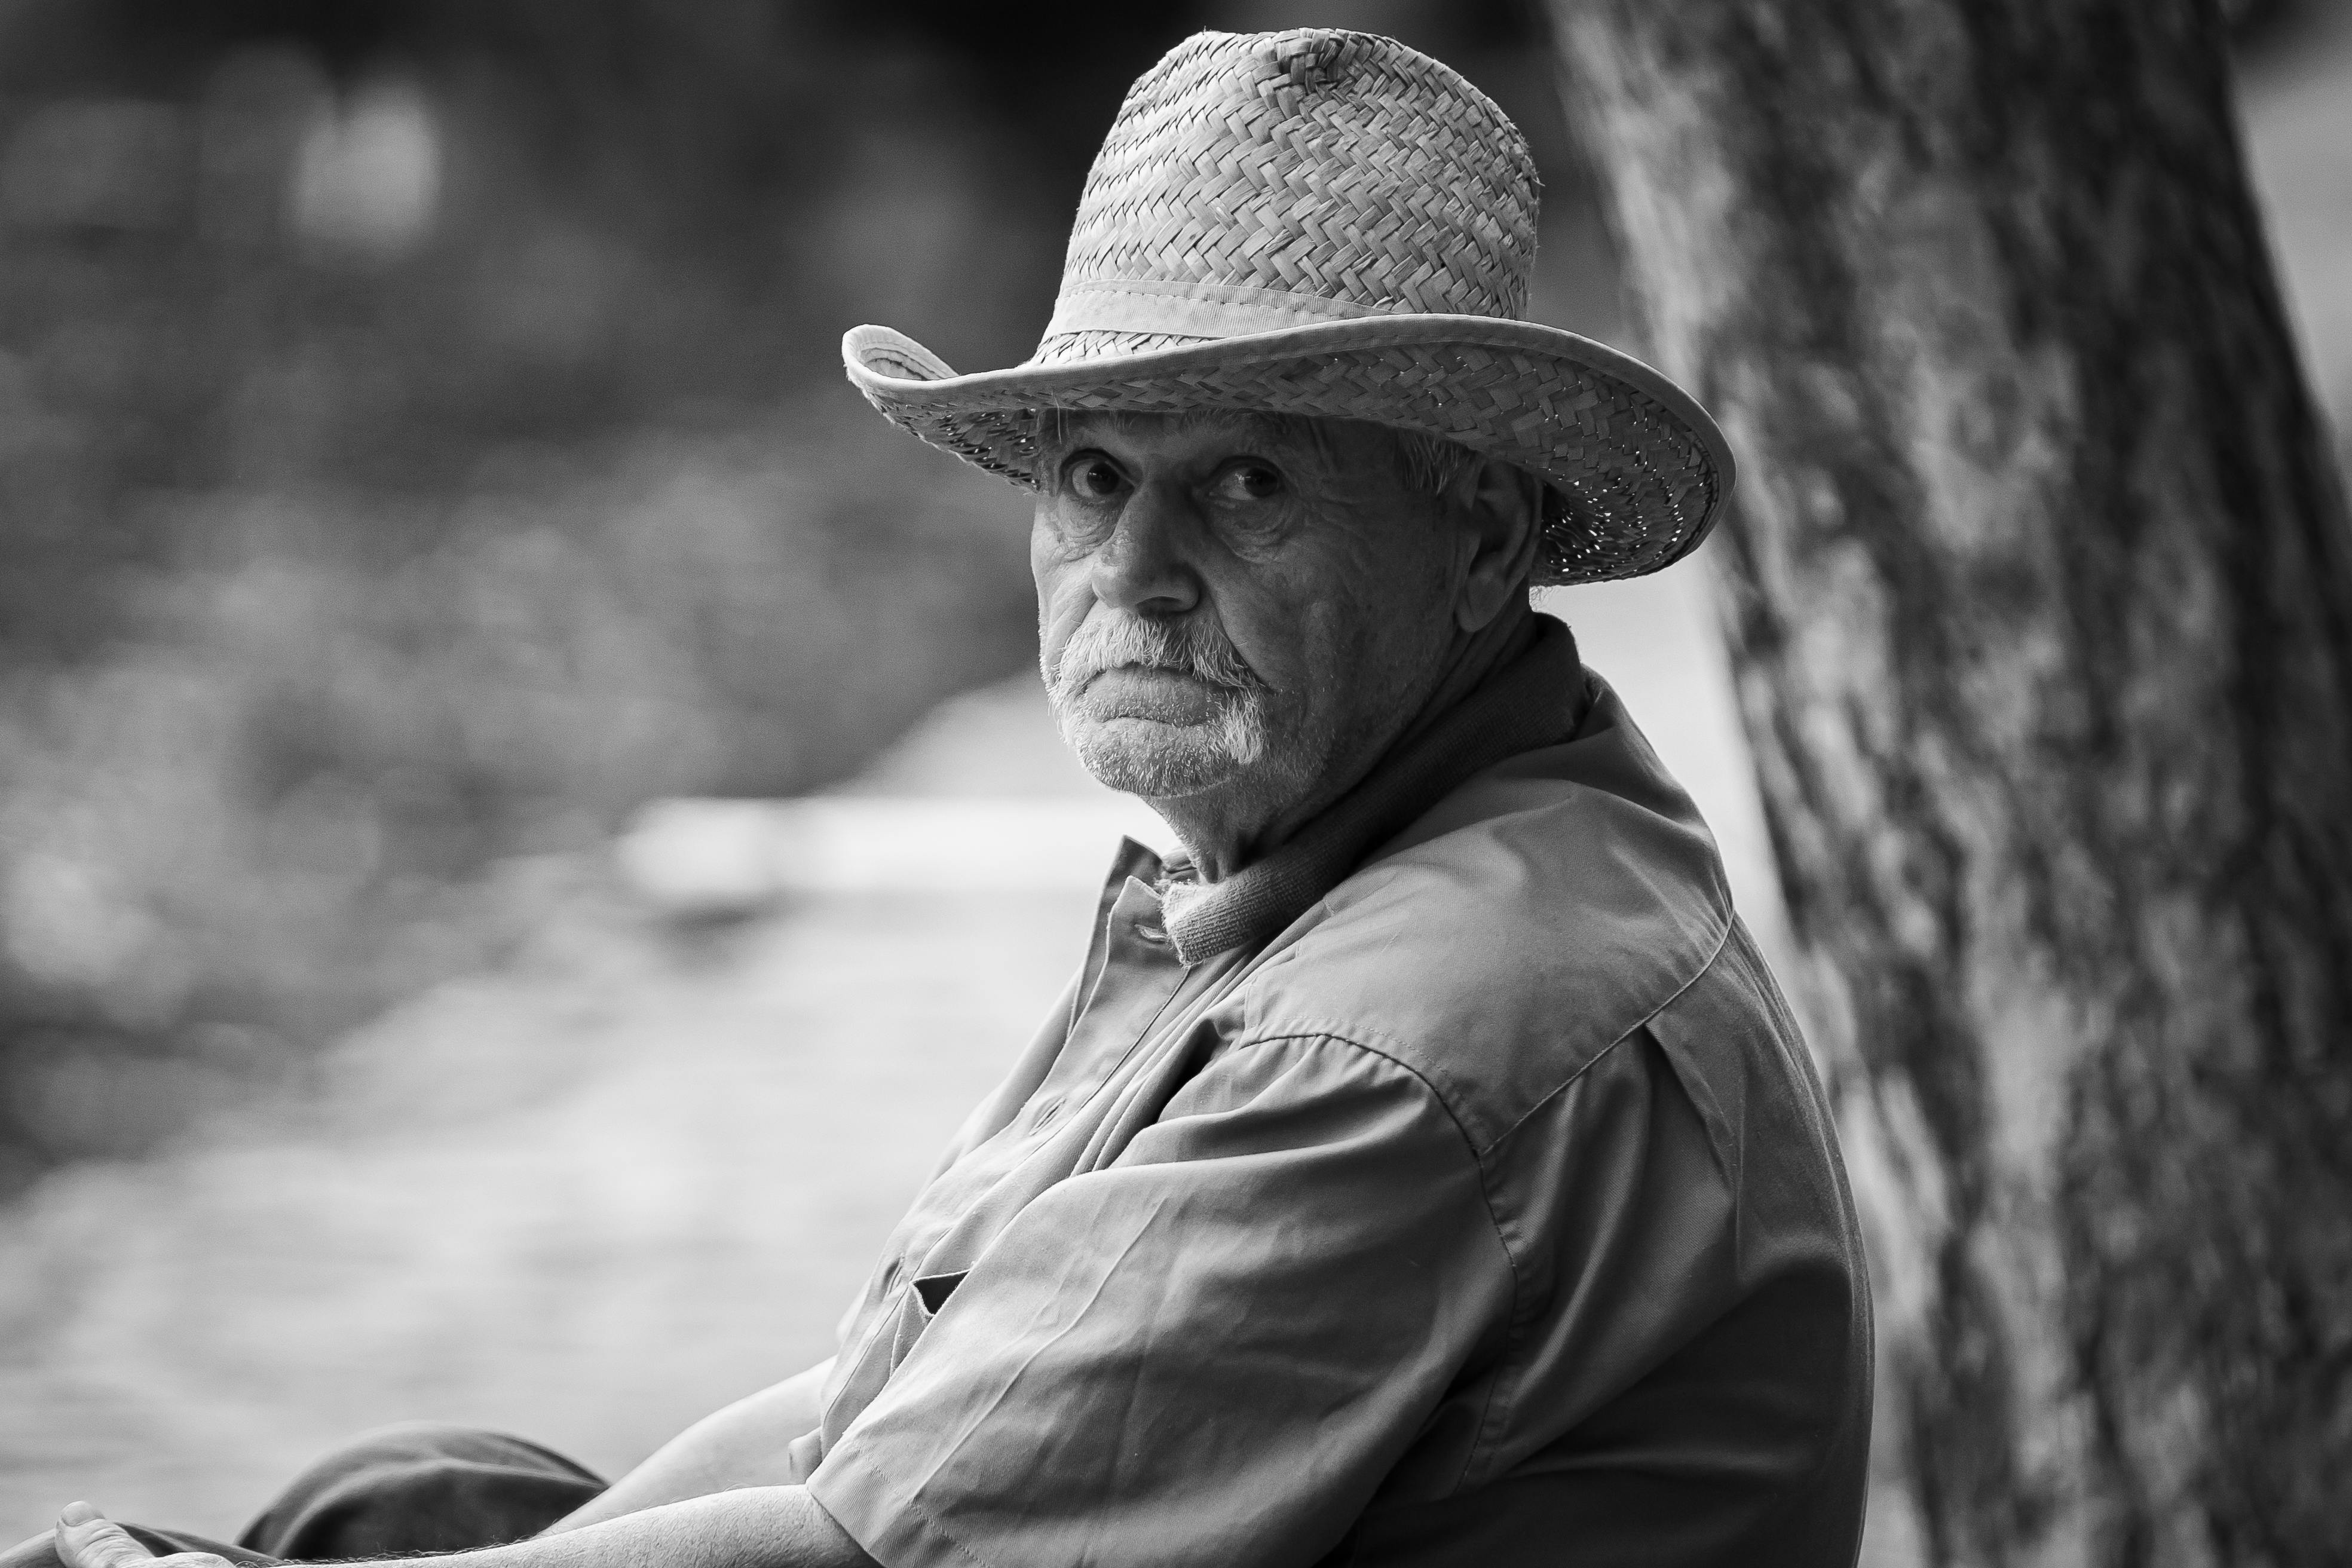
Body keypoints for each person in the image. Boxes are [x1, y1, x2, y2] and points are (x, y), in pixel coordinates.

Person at [22, 27, 1872, 1568]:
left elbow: (861, 1556)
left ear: (1475, 538)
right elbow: (900, 1418)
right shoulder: (1361, 863)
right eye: (1087, 474)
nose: (1134, 565)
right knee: (401, 1503)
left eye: (1245, 485)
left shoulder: (1415, 1028)